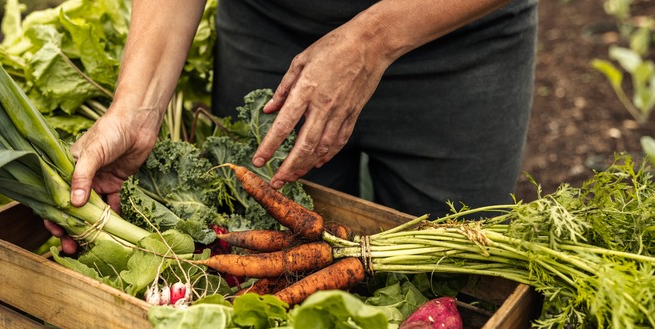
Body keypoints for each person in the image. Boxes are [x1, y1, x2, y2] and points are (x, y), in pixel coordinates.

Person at [46, 0, 539, 253]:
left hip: (458, 43)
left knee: (453, 279)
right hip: (271, 34)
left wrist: (371, 41)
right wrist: (138, 107)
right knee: (267, 246)